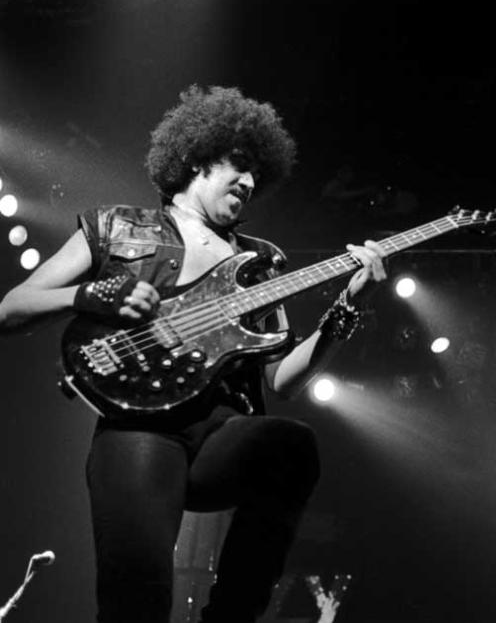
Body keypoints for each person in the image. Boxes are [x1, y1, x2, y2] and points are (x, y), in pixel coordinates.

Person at [0, 85, 388, 623]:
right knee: (134, 603)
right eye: (240, 166)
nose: (251, 183)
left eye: (259, 174)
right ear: (197, 158)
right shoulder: (115, 227)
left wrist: (347, 308)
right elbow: (11, 308)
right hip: (138, 432)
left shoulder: (260, 261)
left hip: (222, 434)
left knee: (292, 444)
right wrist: (89, 295)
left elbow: (281, 379)